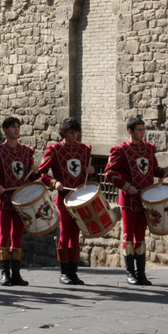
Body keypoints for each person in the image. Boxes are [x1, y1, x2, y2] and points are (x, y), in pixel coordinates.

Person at [104, 117, 168, 285]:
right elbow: (109, 173)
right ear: (130, 132)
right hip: (128, 199)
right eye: (139, 130)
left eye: (143, 129)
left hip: (145, 199)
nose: (142, 133)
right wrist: (126, 186)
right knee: (128, 235)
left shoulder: (148, 149)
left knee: (140, 236)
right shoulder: (120, 150)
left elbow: (153, 169)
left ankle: (141, 273)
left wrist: (164, 172)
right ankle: (130, 272)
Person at [0, 116, 38, 286]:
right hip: (4, 201)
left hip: (22, 202)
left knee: (17, 237)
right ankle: (5, 274)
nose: (16, 130)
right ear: (5, 130)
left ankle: (16, 274)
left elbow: (32, 177)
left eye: (18, 127)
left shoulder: (27, 152)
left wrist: (35, 171)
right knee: (4, 237)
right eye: (12, 127)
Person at [38, 117, 95, 285]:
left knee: (75, 236)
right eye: (71, 133)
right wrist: (54, 183)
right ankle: (64, 273)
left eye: (76, 132)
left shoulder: (85, 150)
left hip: (80, 199)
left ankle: (73, 272)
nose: (74, 136)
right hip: (64, 199)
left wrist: (92, 171)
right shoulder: (54, 150)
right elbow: (42, 175)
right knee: (64, 235)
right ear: (64, 133)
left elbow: (90, 177)